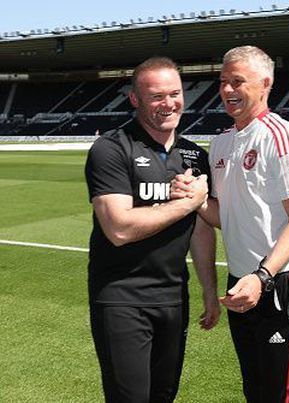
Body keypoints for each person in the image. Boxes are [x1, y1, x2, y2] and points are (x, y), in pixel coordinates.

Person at [172, 45, 289, 403]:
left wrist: (263, 276)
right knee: (254, 384)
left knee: (283, 390)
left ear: (265, 83)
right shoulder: (220, 143)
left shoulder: (281, 137)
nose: (227, 90)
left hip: (281, 279)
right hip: (240, 279)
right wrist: (195, 199)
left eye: (237, 81)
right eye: (223, 82)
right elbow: (226, 217)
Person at [84, 56, 220, 403]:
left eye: (174, 93)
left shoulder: (194, 156)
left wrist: (208, 289)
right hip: (122, 297)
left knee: (164, 395)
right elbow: (119, 228)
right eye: (156, 96)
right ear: (135, 99)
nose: (168, 103)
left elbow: (201, 229)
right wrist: (187, 203)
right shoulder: (111, 149)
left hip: (173, 298)